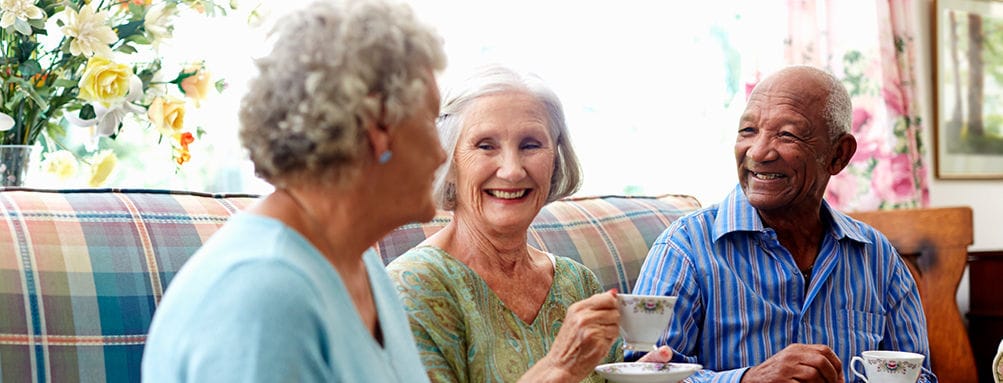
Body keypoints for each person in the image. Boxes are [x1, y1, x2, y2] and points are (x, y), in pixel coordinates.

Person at [141, 0, 447, 381]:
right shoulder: (263, 299)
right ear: (378, 125)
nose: (441, 153)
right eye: (431, 120)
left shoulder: (363, 267)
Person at [629, 65, 936, 382]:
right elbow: (642, 375)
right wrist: (748, 380)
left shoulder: (877, 258)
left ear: (838, 155)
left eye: (786, 134)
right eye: (748, 131)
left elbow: (920, 376)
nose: (758, 152)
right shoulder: (685, 248)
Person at [386, 65, 671, 383]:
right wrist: (558, 367)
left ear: (555, 161)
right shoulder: (411, 287)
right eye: (486, 145)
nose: (512, 171)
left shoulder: (578, 283)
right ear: (448, 162)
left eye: (530, 145)